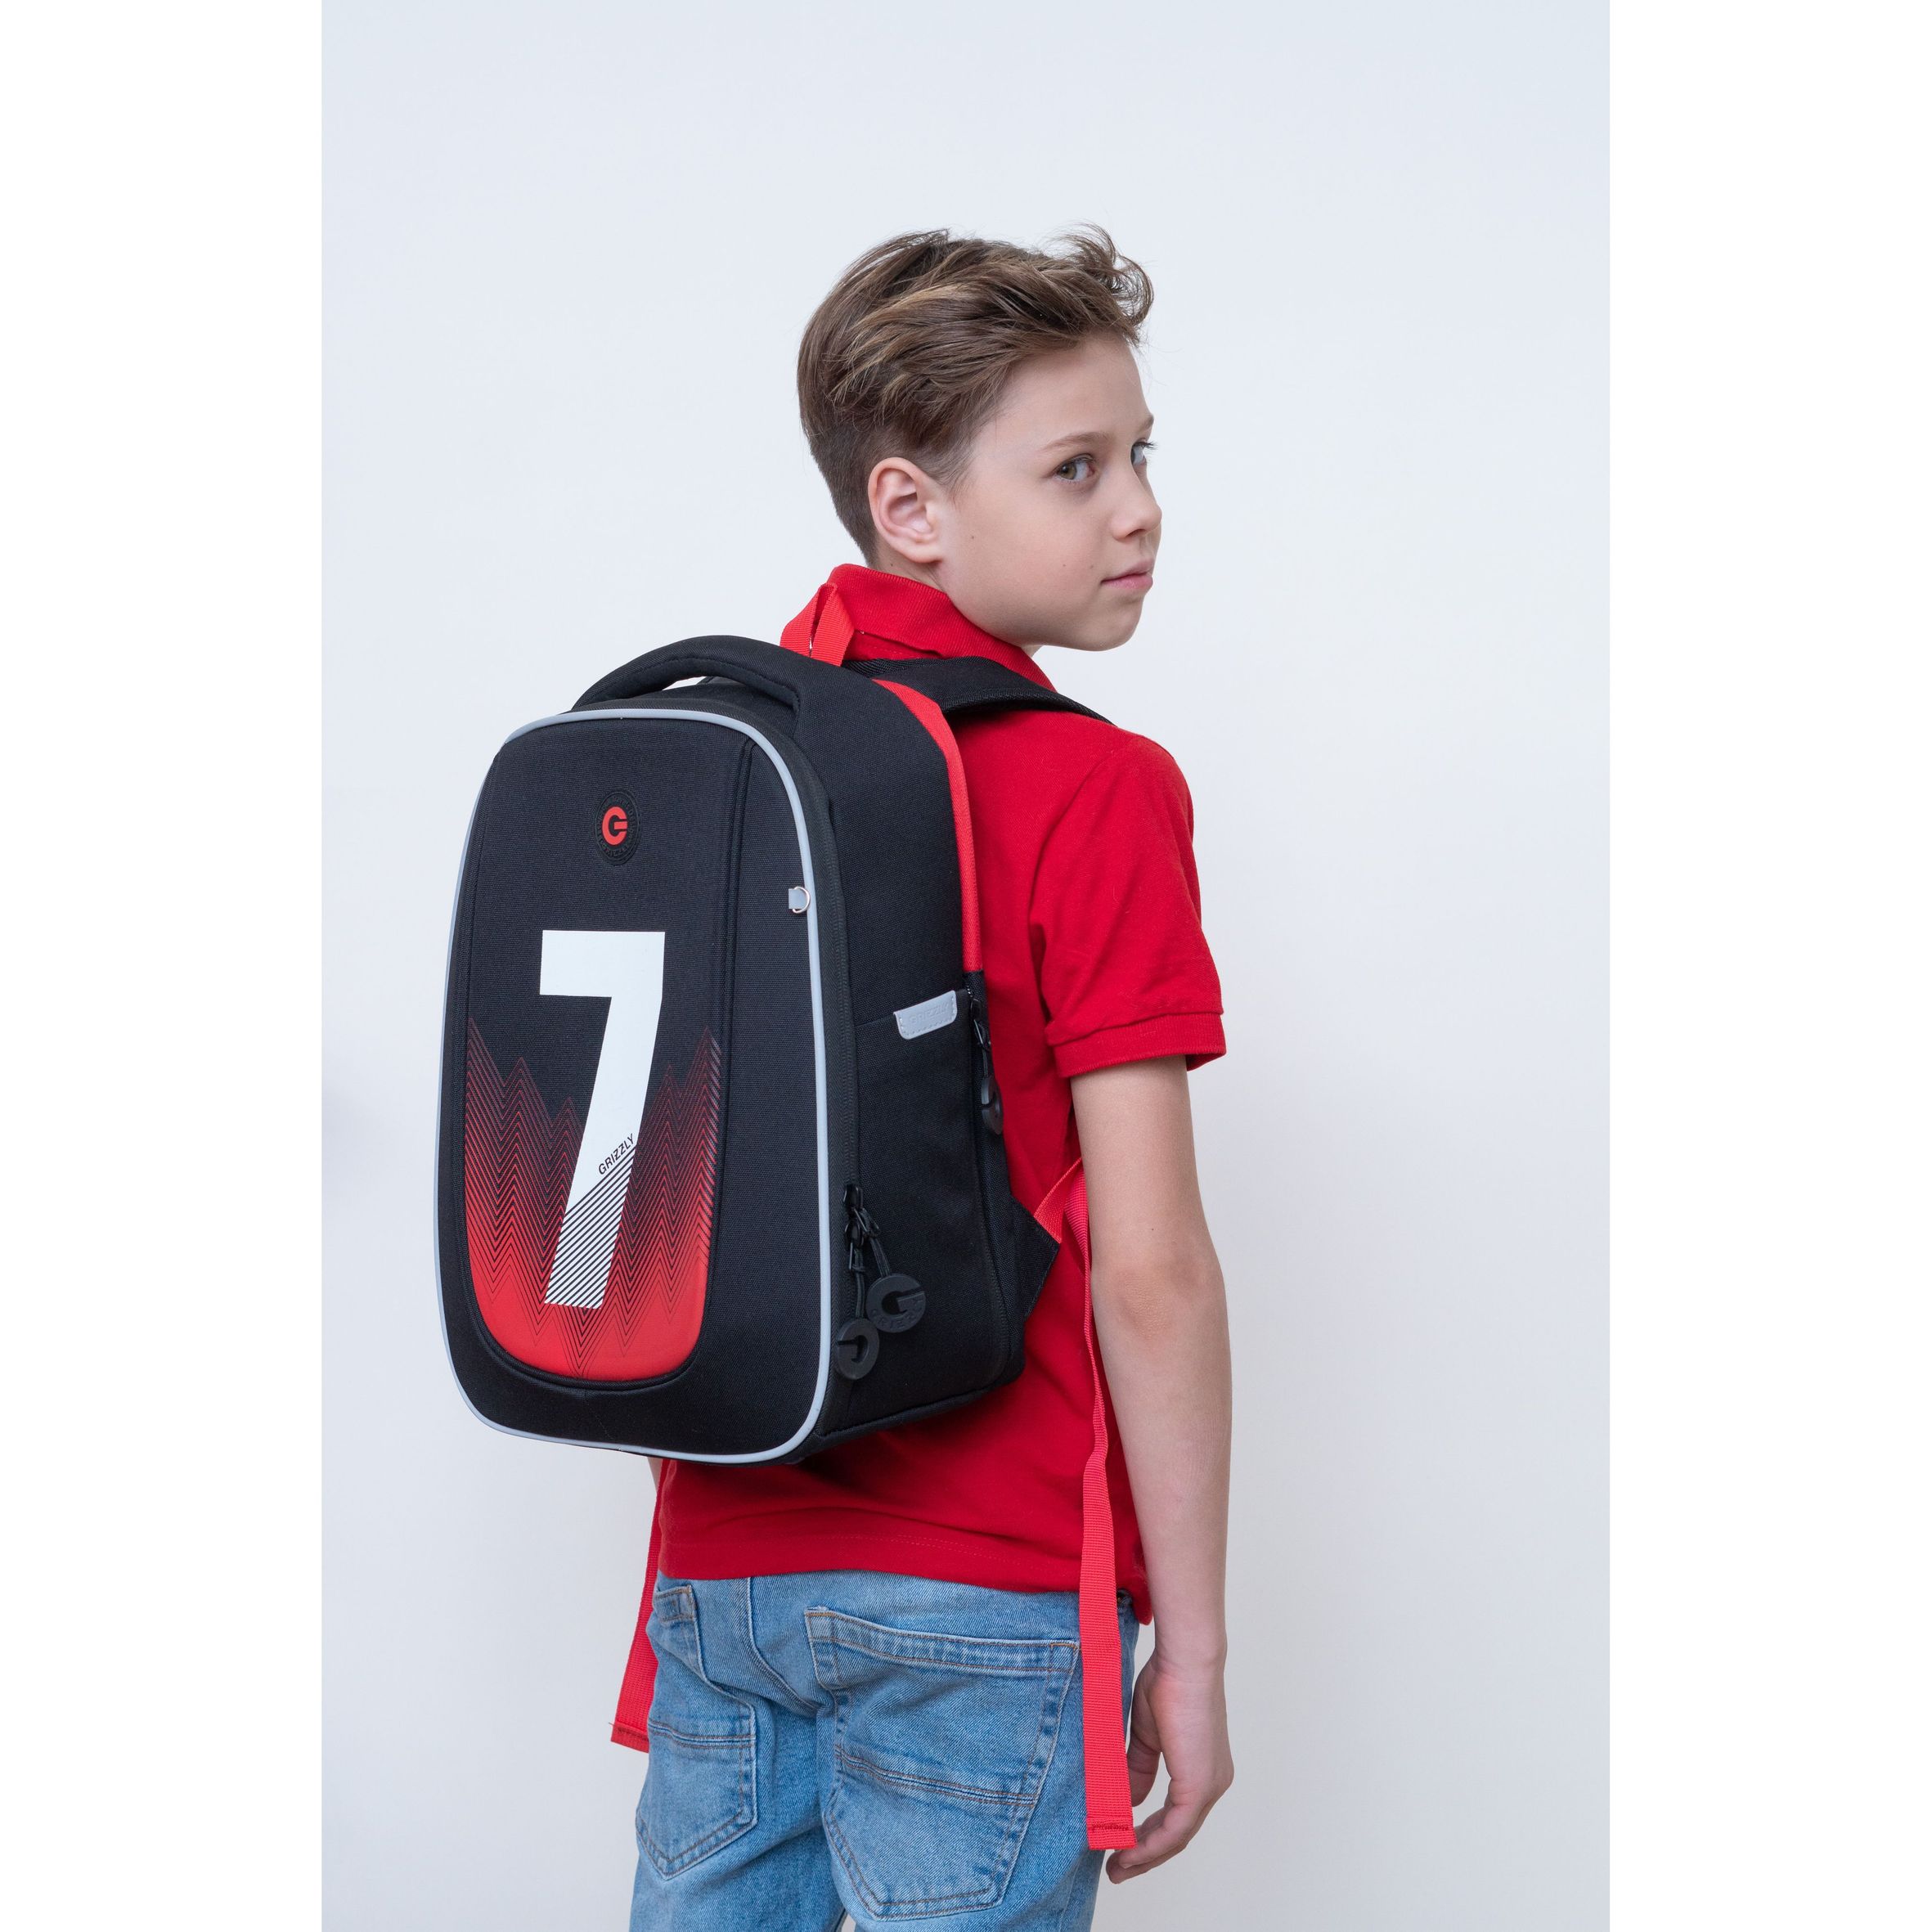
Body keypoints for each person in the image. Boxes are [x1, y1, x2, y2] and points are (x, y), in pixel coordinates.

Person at [625, 228, 1234, 1932]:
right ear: (908, 506)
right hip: (986, 1581)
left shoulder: (721, 755)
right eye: (1075, 468)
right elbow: (1150, 1265)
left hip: (720, 1565)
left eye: (1140, 456)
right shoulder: (1089, 786)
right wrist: (1190, 1648)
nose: (1138, 511)